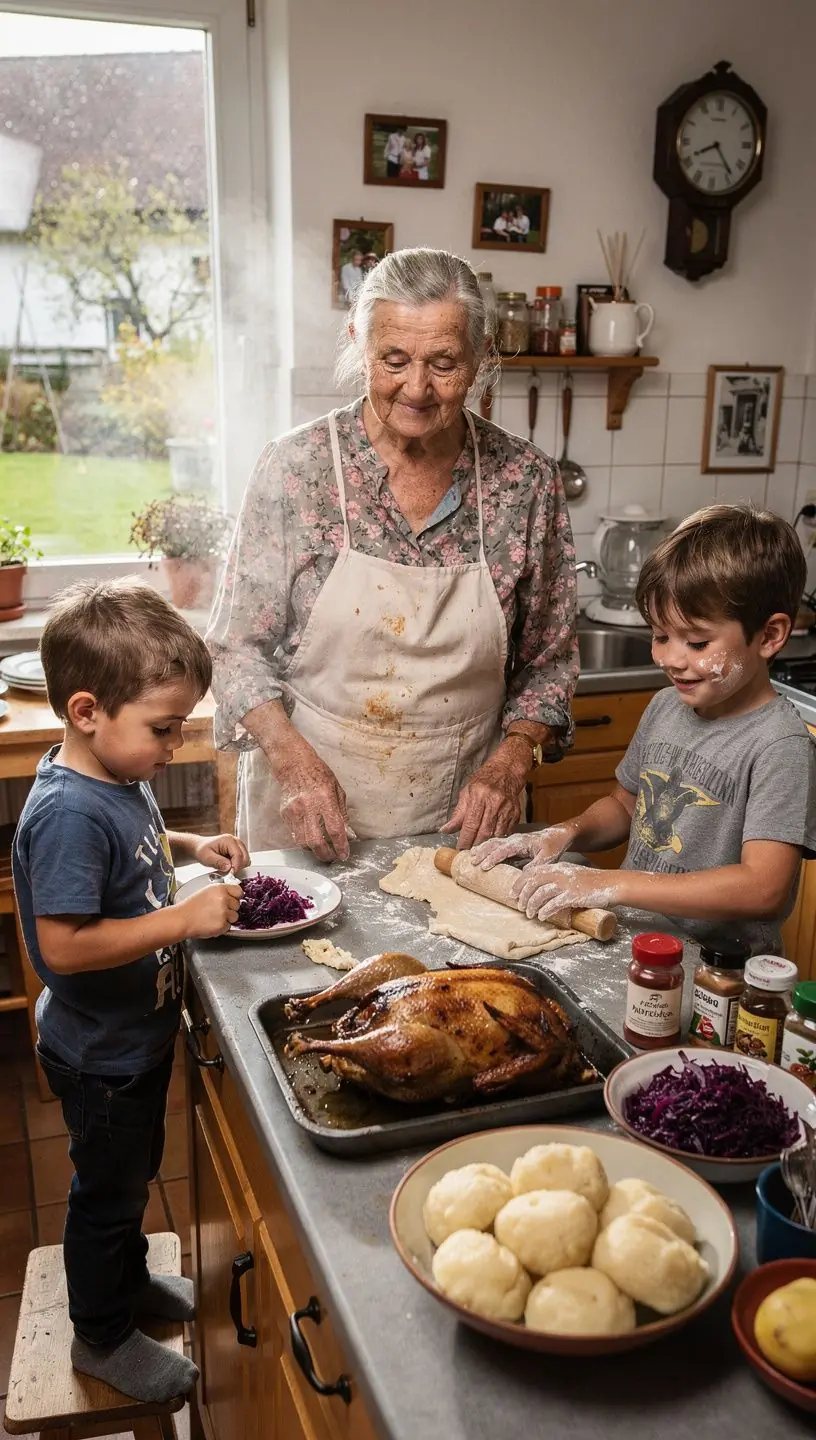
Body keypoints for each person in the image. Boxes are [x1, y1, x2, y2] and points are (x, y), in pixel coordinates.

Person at [207, 246, 578, 861]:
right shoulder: (297, 468)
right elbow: (234, 648)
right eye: (394, 360)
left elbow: (549, 664)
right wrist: (293, 762)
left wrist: (512, 762)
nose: (417, 388)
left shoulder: (525, 481)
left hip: (461, 817)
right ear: (360, 345)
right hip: (309, 808)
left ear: (482, 357)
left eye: (444, 364)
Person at [12, 580, 248, 1404]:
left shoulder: (111, 776)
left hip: (130, 1043)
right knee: (106, 1196)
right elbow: (63, 947)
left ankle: (129, 1282)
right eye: (163, 727)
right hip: (98, 1054)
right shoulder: (68, 814)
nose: (176, 745)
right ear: (87, 711)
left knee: (133, 1175)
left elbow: (136, 840)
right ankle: (101, 1336)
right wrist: (181, 919)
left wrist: (189, 843)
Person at [474, 504, 816, 954]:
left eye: (697, 642)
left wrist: (610, 883)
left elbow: (763, 887)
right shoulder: (665, 707)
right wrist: (565, 833)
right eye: (660, 636)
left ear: (770, 636)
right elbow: (624, 805)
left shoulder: (780, 745)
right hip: (638, 945)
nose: (671, 659)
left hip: (717, 972)